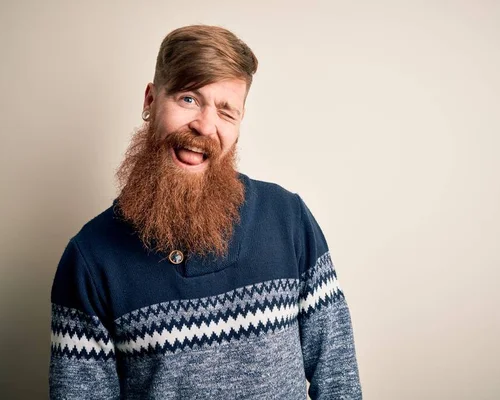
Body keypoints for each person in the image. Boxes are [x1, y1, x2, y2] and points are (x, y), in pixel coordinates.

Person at [49, 25, 362, 399]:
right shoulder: (90, 259)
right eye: (188, 99)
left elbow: (338, 380)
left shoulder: (288, 219)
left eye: (227, 112)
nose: (205, 126)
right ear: (150, 100)